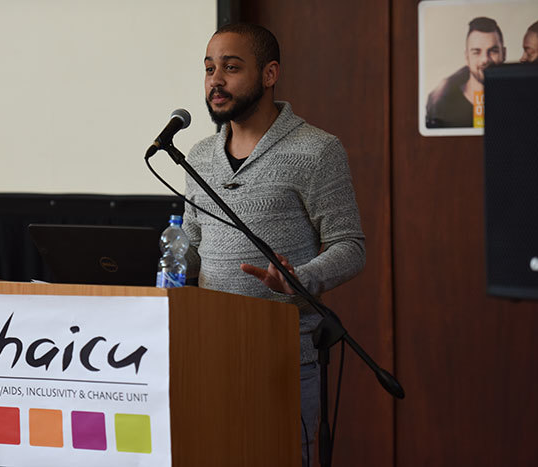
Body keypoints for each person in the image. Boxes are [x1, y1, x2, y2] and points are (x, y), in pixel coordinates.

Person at [181, 23, 365, 466]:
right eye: (209, 69)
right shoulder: (198, 154)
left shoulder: (316, 150)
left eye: (231, 67)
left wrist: (301, 278)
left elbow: (350, 245)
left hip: (283, 358)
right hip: (208, 350)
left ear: (269, 74)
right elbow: (191, 242)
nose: (215, 81)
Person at [426, 17, 506, 128]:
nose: (485, 59)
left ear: (504, 54)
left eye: (493, 51)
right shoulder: (442, 106)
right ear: (466, 57)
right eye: (476, 52)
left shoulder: (519, 101)